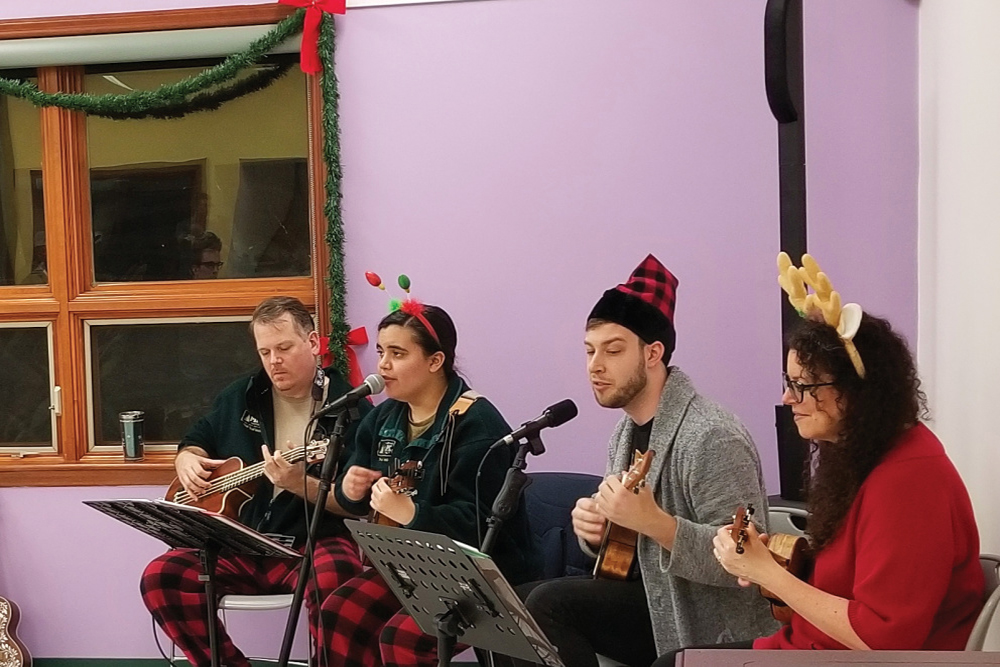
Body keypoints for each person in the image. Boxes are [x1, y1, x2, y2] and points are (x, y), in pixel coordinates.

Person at [663, 253, 985, 661]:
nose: (787, 398)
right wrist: (778, 564)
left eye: (803, 386)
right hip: (815, 647)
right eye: (789, 382)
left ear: (854, 391)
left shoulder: (909, 481)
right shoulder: (863, 454)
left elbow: (882, 639)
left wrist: (767, 575)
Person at [511, 254, 776, 667]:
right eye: (589, 351)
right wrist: (596, 532)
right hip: (653, 599)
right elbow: (624, 547)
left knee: (549, 605)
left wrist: (655, 522)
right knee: (513, 604)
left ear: (653, 354)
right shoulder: (624, 431)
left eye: (612, 351)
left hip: (703, 621)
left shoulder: (711, 435)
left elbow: (745, 563)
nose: (595, 366)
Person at [140, 296, 371, 667]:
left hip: (311, 544)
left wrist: (298, 484)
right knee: (162, 576)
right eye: (264, 351)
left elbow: (355, 503)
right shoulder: (243, 395)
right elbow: (199, 436)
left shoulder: (352, 409)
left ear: (313, 344)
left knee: (340, 581)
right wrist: (186, 458)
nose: (273, 361)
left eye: (283, 348)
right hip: (239, 541)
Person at [319, 300, 541, 667]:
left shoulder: (477, 423)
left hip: (478, 574)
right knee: (340, 612)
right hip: (408, 565)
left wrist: (412, 513)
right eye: (380, 352)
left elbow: (481, 523)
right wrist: (350, 489)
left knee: (402, 639)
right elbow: (360, 493)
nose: (382, 365)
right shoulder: (385, 416)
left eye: (397, 353)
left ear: (435, 361)